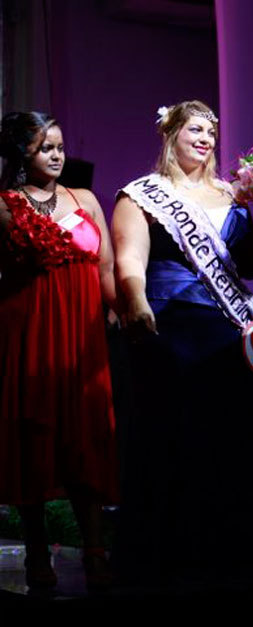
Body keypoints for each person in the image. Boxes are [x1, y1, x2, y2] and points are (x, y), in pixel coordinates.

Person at [111, 100, 253, 585]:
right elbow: (129, 258)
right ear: (171, 133)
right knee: (175, 439)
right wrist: (135, 300)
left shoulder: (233, 196)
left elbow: (248, 264)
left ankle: (238, 559)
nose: (206, 139)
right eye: (195, 129)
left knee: (233, 443)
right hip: (169, 328)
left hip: (228, 333)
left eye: (211, 131)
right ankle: (170, 561)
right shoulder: (142, 194)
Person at [0, 112, 119, 589]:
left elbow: (107, 267)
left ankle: (96, 551)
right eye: (44, 147)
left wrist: (123, 311)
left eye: (60, 146)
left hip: (83, 338)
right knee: (34, 436)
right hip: (29, 335)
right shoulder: (3, 204)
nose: (56, 155)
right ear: (21, 153)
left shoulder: (84, 199)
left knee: (86, 435)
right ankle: (36, 554)